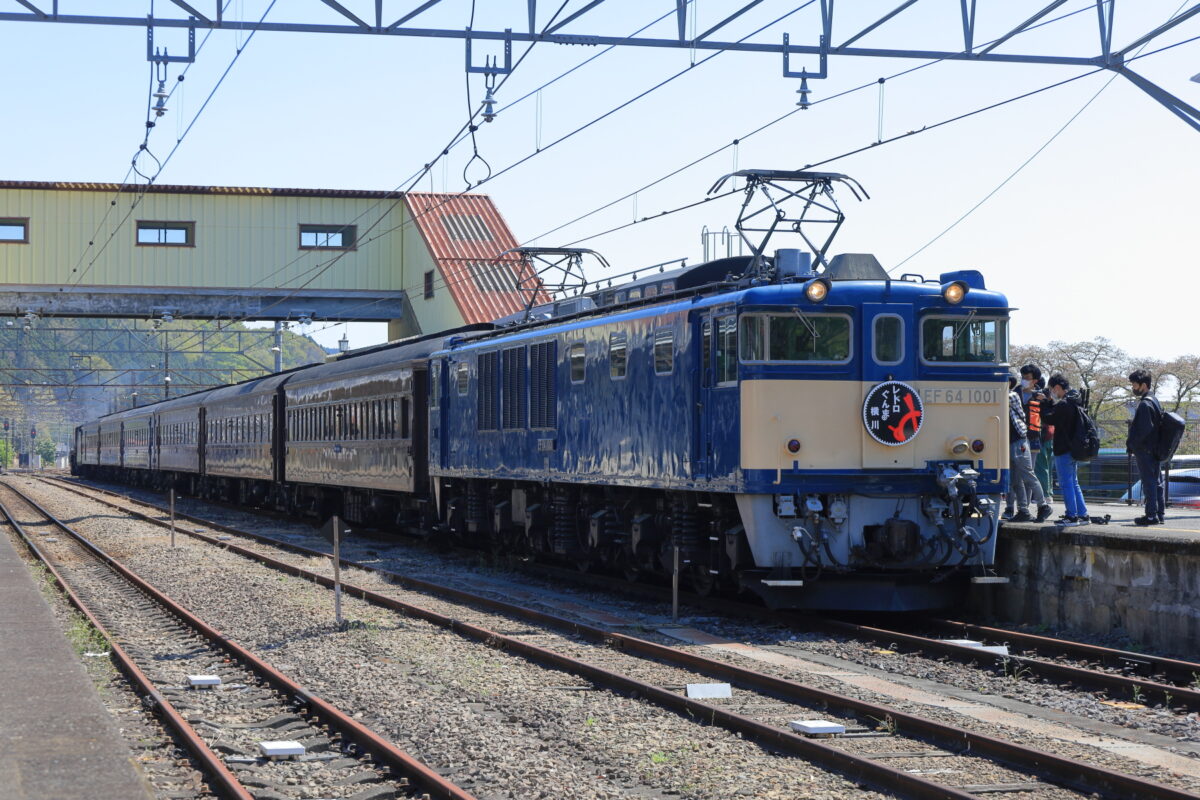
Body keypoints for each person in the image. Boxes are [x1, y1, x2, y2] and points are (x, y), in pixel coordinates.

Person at [1040, 374, 1089, 526]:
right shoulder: (1075, 402)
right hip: (1074, 448)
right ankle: (1082, 514)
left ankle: (1071, 516)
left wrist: (1044, 403)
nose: (1051, 392)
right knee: (1074, 483)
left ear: (1057, 388)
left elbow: (1049, 418)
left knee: (1066, 483)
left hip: (1063, 449)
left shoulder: (1064, 404)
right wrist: (1050, 402)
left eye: (1051, 389)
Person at [1003, 371, 1052, 523]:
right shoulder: (1014, 393)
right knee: (1016, 479)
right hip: (1011, 441)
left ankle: (1043, 506)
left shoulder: (1010, 396)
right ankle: (1023, 510)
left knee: (1027, 474)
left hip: (1019, 440)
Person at [1126, 368, 1165, 526]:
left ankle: (1150, 516)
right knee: (1157, 483)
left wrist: (1132, 445)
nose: (1133, 388)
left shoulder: (1144, 405)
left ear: (1143, 385)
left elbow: (1143, 430)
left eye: (1135, 385)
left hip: (1145, 450)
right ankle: (1159, 514)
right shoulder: (1154, 400)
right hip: (1155, 449)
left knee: (1149, 482)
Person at [1020, 364, 1054, 503]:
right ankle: (1013, 507)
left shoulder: (1042, 394)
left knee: (1030, 471)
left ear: (1035, 380)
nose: (1024, 380)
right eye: (1022, 377)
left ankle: (1027, 504)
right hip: (1015, 437)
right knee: (1015, 476)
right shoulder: (1015, 392)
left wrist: (1046, 401)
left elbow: (1049, 414)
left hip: (1034, 438)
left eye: (1027, 378)